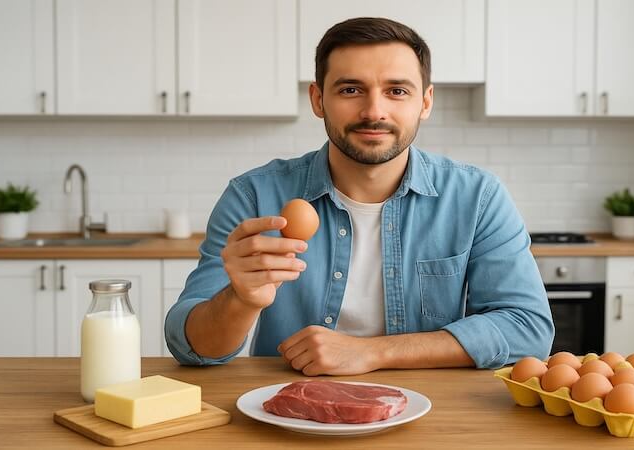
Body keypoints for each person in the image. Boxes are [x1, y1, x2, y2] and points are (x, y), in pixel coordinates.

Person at [165, 17, 554, 376]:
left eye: (397, 91)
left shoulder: (477, 197)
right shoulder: (253, 196)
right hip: (288, 412)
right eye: (351, 89)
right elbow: (192, 347)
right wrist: (241, 299)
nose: (374, 110)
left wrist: (373, 352)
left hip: (430, 411)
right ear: (318, 100)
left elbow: (528, 327)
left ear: (425, 101)